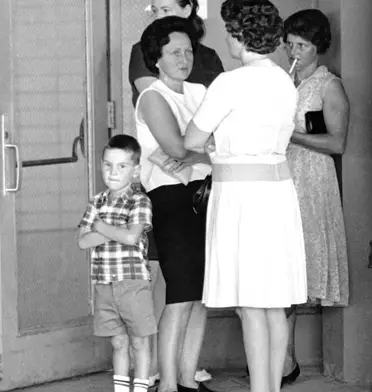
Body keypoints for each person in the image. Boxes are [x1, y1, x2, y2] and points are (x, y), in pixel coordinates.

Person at [183, 2, 307, 392]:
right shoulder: (284, 82)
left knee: (251, 302)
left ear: (239, 33)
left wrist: (221, 141)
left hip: (240, 195)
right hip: (278, 192)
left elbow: (191, 139)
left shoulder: (231, 82)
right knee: (272, 301)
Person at [129, 3, 221, 384]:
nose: (183, 59)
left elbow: (199, 145)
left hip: (206, 194)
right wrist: (208, 148)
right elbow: (180, 148)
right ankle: (166, 383)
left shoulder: (200, 90)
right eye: (174, 52)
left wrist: (198, 149)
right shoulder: (152, 96)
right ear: (156, 58)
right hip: (172, 200)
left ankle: (186, 379)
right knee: (181, 295)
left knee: (202, 297)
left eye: (187, 51)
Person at [282, 8, 350, 384]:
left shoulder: (329, 85)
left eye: (302, 46)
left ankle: (285, 359)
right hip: (280, 177)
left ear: (318, 46)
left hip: (311, 179)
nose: (294, 52)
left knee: (300, 268)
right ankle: (282, 354)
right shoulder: (282, 82)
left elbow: (337, 141)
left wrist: (289, 135)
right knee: (280, 269)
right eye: (289, 44)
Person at [78, 134, 155, 392]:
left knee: (139, 342)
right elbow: (82, 242)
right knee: (118, 343)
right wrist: (115, 229)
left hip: (132, 283)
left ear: (135, 171)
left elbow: (132, 237)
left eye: (122, 166)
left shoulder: (139, 200)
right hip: (104, 283)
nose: (113, 172)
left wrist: (99, 226)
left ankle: (141, 388)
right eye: (108, 164)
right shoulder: (96, 201)